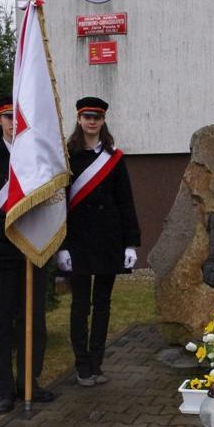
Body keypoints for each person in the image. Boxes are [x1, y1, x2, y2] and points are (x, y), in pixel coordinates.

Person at [0, 96, 55, 414]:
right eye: (7, 117)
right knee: (2, 324)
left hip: (33, 248)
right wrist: (12, 227)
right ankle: (4, 390)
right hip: (3, 251)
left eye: (16, 117)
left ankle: (29, 383)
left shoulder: (35, 155)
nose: (11, 122)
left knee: (35, 322)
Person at [57, 96, 141, 387]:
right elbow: (59, 205)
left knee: (102, 303)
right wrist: (62, 246)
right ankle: (82, 365)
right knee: (80, 304)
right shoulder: (66, 156)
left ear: (103, 121)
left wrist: (130, 243)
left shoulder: (114, 157)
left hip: (108, 239)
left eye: (97, 117)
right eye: (87, 116)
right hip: (78, 240)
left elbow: (125, 201)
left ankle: (97, 362)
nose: (92, 121)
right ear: (79, 119)